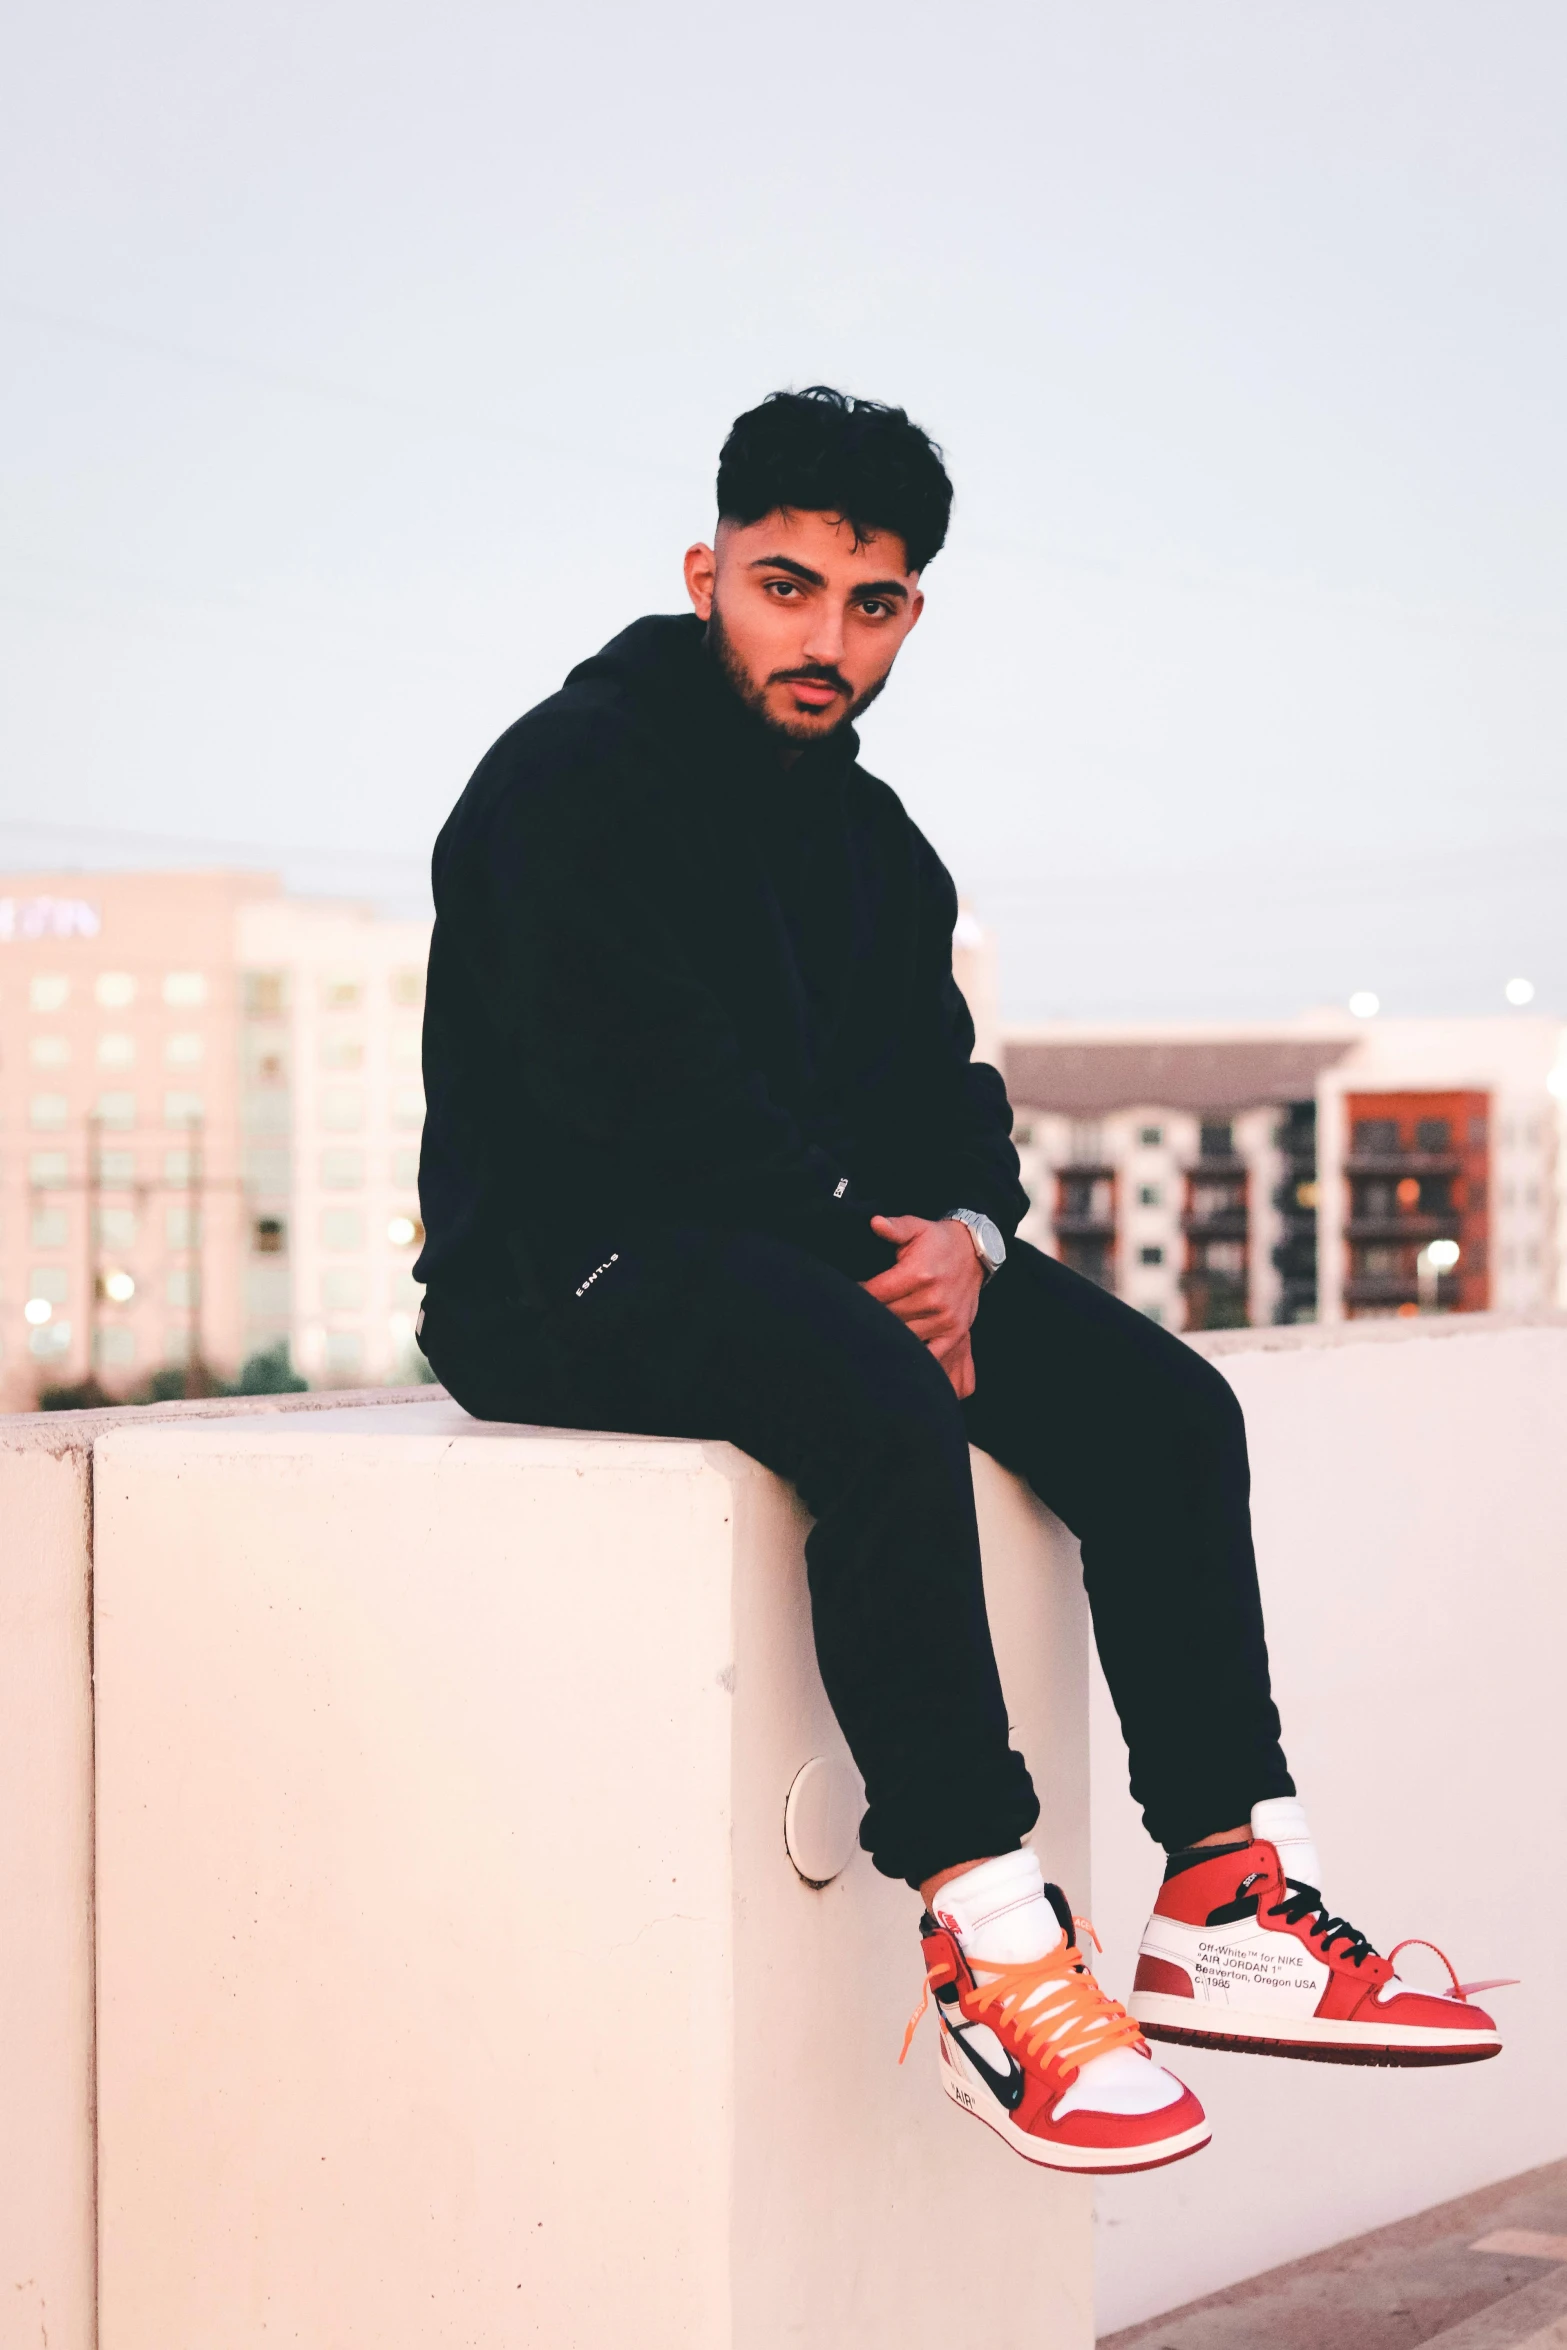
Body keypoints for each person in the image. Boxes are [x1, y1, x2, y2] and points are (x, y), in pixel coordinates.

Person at [413, 385, 1504, 2175]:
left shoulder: (872, 839)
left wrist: (966, 1243)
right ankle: (993, 1933)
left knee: (1166, 1411)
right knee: (867, 1386)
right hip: (566, 1274)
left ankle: (1223, 1887)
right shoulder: (571, 777)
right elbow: (641, 1095)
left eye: (871, 603)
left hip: (810, 1253)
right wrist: (881, 1260)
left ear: (911, 609)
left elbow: (946, 1096)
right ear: (707, 572)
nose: (824, 638)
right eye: (784, 587)